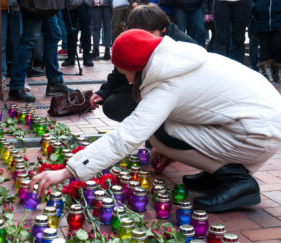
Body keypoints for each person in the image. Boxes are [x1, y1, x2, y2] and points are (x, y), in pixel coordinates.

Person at [30, 29, 281, 213]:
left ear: (134, 67)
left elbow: (127, 136)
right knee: (165, 132)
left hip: (257, 134)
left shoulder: (168, 83)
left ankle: (238, 180)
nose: (127, 79)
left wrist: (68, 170)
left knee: (159, 134)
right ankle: (216, 173)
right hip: (257, 124)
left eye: (124, 72)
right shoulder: (177, 60)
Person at [90, 4, 196, 123]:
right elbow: (121, 69)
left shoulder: (183, 45)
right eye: (139, 33)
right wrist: (104, 91)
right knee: (113, 104)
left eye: (149, 33)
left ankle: (160, 128)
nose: (144, 38)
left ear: (163, 29)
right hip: (148, 88)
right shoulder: (134, 39)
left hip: (178, 95)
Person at [9, 2, 70, 102]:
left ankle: (55, 82)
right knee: (29, 39)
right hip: (34, 4)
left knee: (53, 35)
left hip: (45, 4)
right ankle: (16, 86)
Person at [252, 0, 281, 82]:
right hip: (261, 21)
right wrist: (255, 8)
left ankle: (278, 71)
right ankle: (266, 72)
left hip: (278, 22)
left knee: (278, 46)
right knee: (265, 48)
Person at [62, 1, 94, 67]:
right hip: (70, 4)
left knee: (86, 31)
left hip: (84, 3)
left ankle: (87, 57)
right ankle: (71, 57)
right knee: (71, 33)